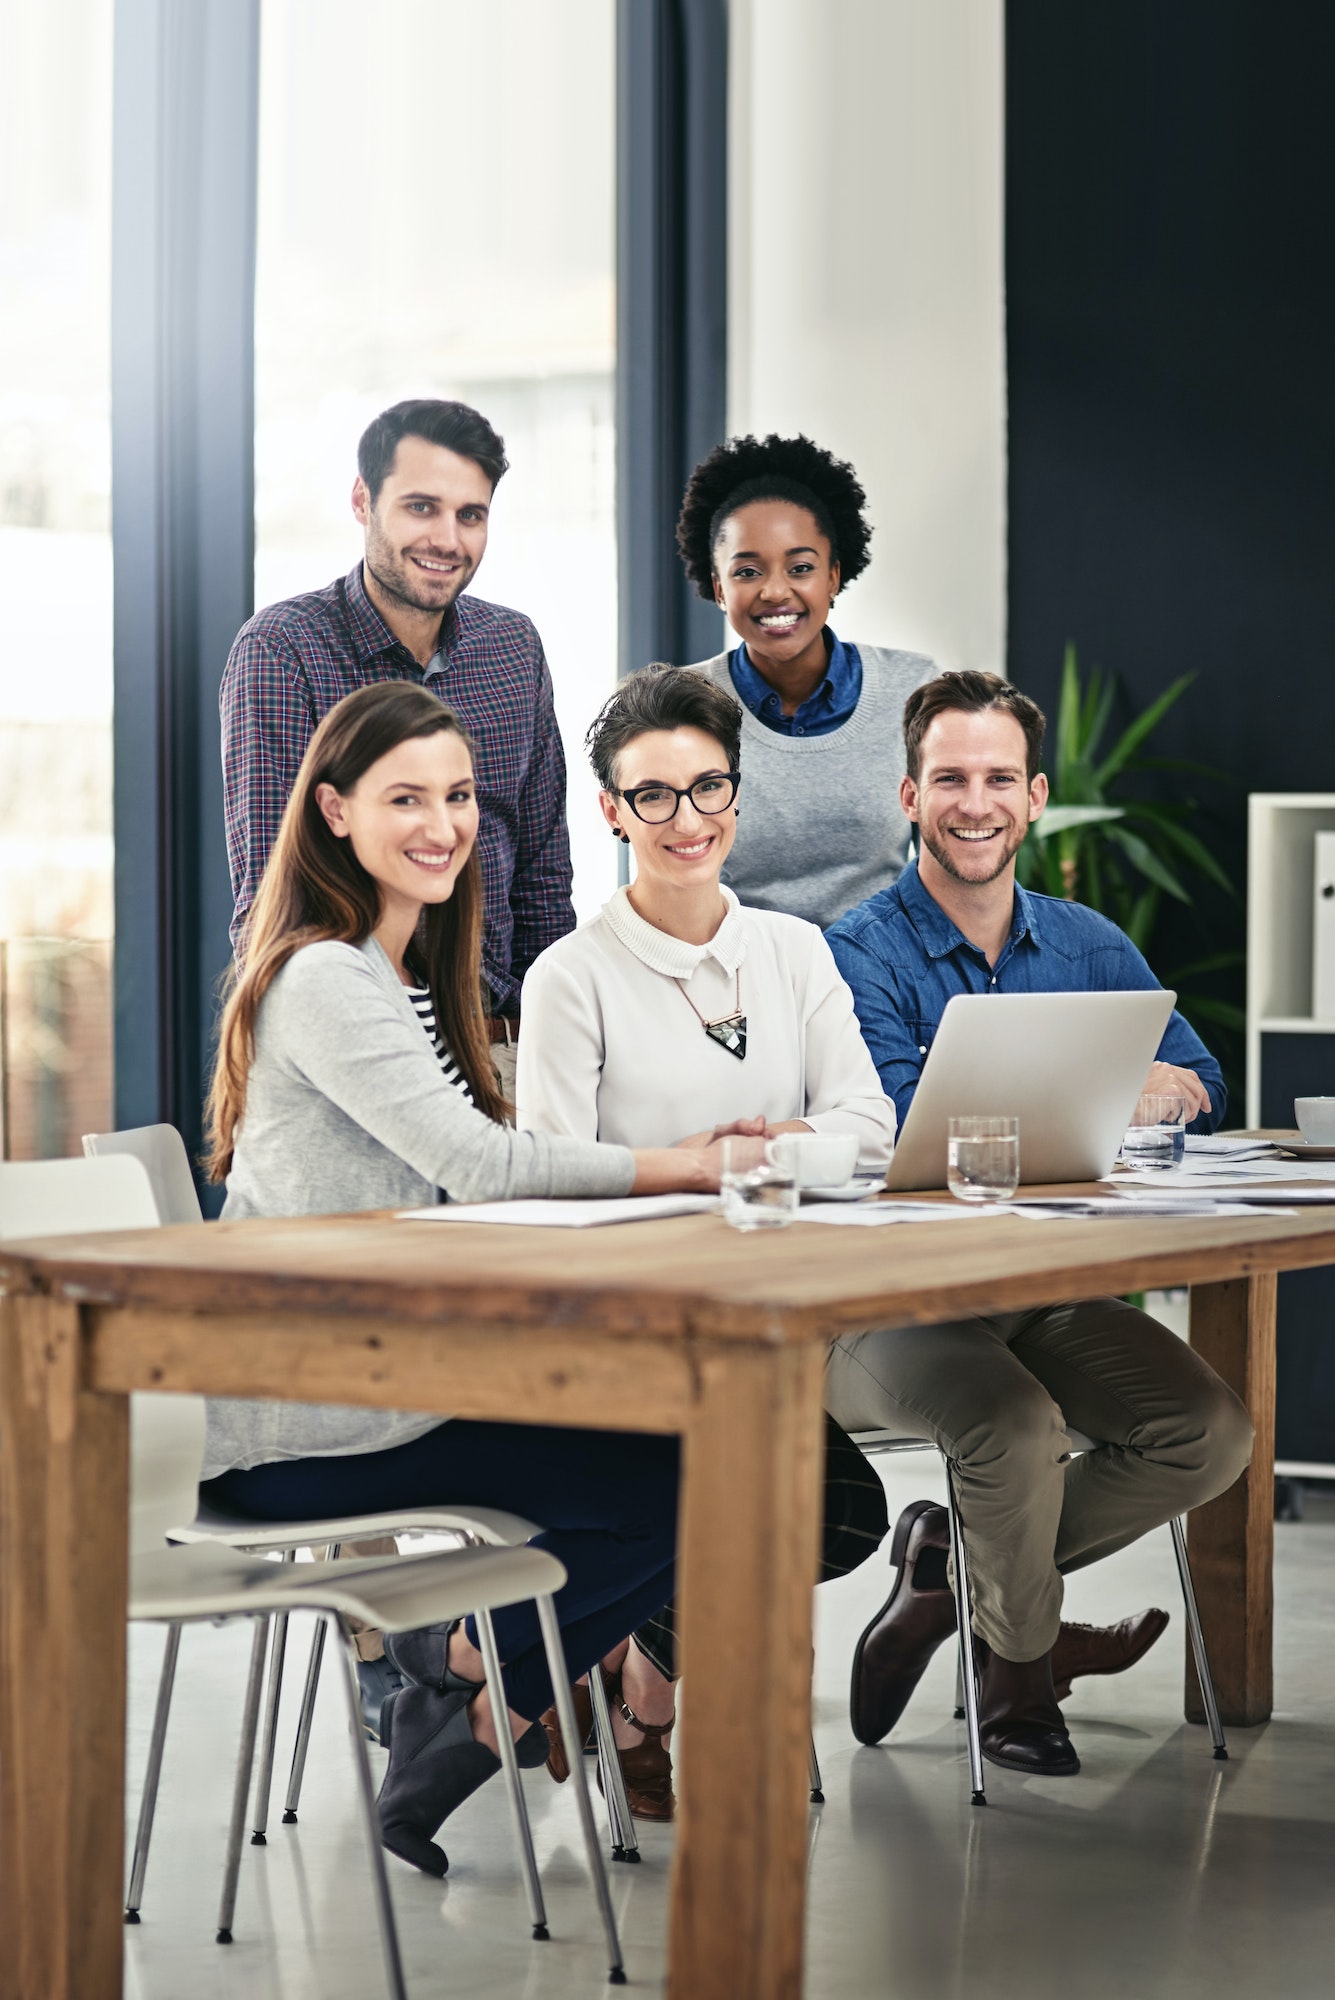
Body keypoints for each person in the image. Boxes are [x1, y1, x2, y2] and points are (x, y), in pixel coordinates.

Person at [202, 679, 721, 1877]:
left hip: (385, 1384)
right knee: (687, 1470)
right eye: (405, 799)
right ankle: (477, 1690)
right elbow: (473, 1162)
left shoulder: (395, 974)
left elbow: (452, 1188)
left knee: (676, 1455)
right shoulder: (329, 976)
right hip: (308, 1424)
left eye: (459, 795)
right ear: (332, 811)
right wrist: (676, 1164)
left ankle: (476, 1691)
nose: (443, 824)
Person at [823, 671, 1253, 1775]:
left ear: (1038, 795)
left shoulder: (1087, 941)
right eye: (952, 778)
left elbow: (1200, 1077)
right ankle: (1016, 1673)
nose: (977, 802)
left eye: (1000, 777)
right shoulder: (854, 951)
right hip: (886, 1305)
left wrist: (1158, 1088)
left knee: (1209, 1431)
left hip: (1042, 1292)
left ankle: (949, 1571)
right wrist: (1112, 1092)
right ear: (909, 796)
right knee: (1010, 1430)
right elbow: (908, 1116)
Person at [516, 664, 896, 1816]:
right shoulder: (570, 977)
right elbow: (549, 1174)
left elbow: (868, 1126)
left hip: (768, 1327)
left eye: (708, 787)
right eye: (655, 796)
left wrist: (755, 1152)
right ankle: (640, 1702)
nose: (688, 820)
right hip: (625, 1332)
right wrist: (722, 1154)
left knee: (844, 1514)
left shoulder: (794, 951)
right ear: (611, 811)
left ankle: (634, 1673)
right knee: (724, 1499)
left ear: (738, 792)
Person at [221, 396, 572, 1098]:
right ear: (362, 500)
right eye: (421, 507)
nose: (447, 538)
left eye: (469, 515)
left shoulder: (512, 649)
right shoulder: (285, 650)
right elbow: (272, 892)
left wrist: (546, 1043)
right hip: (358, 1046)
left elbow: (541, 877)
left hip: (499, 1048)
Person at [677, 431, 936, 930]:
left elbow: (944, 867)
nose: (775, 591)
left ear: (834, 576)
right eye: (747, 571)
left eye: (800, 567)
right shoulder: (682, 704)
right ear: (718, 588)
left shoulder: (914, 690)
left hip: (881, 977)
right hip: (735, 981)